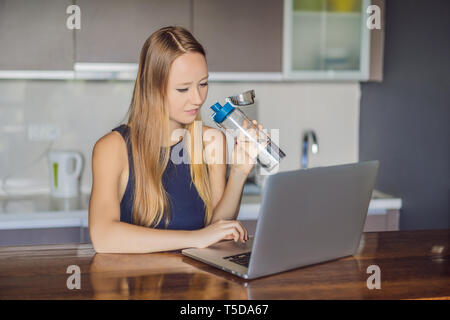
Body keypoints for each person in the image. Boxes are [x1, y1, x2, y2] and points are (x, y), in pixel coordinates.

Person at [88, 26, 263, 253]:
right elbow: (103, 237)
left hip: (197, 285)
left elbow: (215, 231)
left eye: (203, 84)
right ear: (152, 88)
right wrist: (195, 238)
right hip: (139, 286)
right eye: (183, 89)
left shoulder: (212, 141)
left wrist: (239, 173)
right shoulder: (112, 148)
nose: (197, 99)